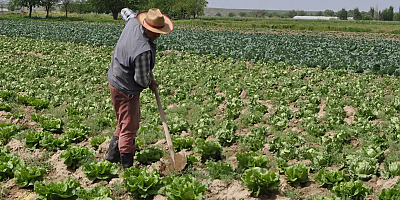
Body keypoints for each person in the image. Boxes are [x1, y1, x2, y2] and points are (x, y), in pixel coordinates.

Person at [105, 8, 174, 169]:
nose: (158, 35)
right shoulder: (143, 50)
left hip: (115, 77)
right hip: (125, 87)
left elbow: (125, 11)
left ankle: (112, 156)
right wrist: (150, 82)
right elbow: (140, 79)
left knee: (124, 120)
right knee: (130, 126)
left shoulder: (132, 22)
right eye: (156, 32)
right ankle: (127, 167)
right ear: (147, 28)